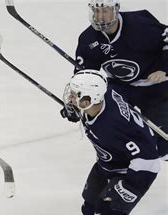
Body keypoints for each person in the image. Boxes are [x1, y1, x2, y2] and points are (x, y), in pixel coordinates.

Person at [62, 69, 161, 215]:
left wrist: (129, 186)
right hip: (108, 162)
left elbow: (147, 156)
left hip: (136, 169)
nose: (71, 98)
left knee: (106, 214)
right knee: (88, 208)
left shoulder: (114, 123)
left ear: (91, 98)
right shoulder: (100, 98)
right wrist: (77, 110)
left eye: (76, 96)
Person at [61, 0, 168, 160]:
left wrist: (164, 68)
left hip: (156, 87)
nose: (100, 17)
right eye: (96, 11)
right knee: (105, 114)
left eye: (105, 11)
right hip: (121, 87)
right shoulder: (88, 39)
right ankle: (115, 155)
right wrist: (76, 104)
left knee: (158, 146)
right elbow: (84, 76)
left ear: (115, 10)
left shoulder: (139, 24)